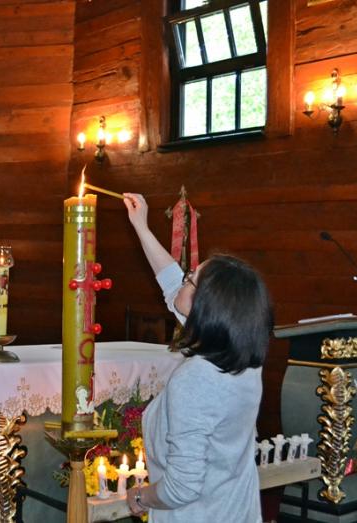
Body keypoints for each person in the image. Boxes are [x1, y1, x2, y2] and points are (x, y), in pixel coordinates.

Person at [123, 192, 273, 523]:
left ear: (207, 309)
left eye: (191, 279)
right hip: (236, 511)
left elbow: (182, 487)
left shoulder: (196, 379)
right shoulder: (242, 357)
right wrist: (141, 226)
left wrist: (141, 497)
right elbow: (173, 287)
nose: (183, 279)